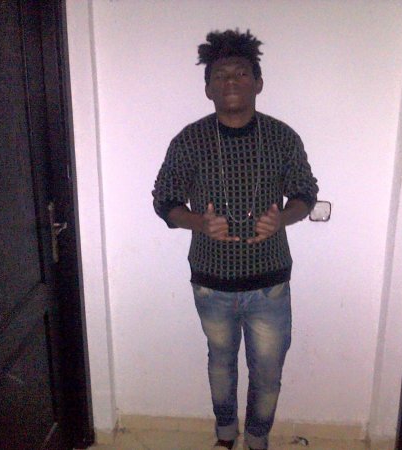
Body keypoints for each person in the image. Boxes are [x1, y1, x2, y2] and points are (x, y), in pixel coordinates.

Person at [152, 29, 318, 450]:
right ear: (208, 88)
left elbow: (305, 193)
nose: (230, 81)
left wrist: (282, 219)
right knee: (221, 365)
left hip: (269, 283)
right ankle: (226, 436)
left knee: (268, 373)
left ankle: (257, 440)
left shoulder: (282, 137)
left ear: (258, 83)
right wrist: (198, 223)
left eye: (241, 73)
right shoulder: (189, 140)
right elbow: (164, 200)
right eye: (220, 75)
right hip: (212, 283)